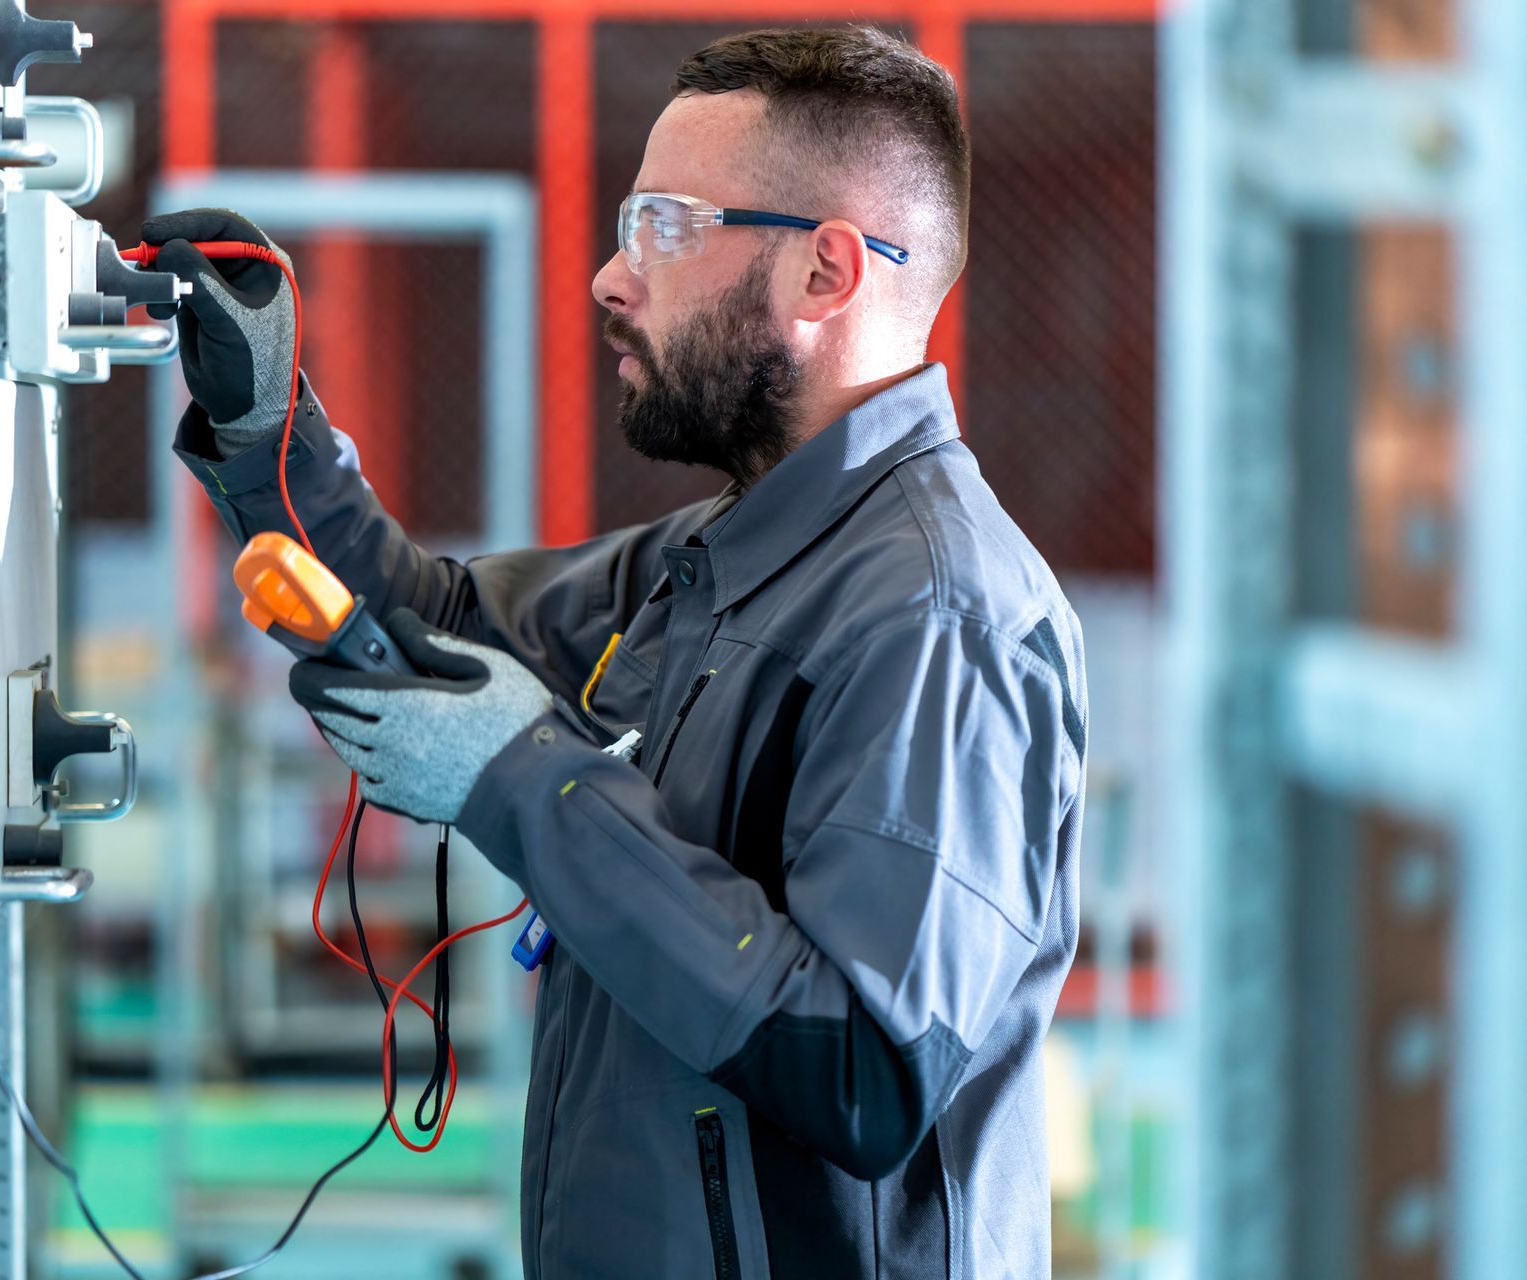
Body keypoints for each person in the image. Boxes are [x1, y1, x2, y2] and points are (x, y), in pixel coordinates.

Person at [144, 25, 1086, 1280]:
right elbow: (440, 631)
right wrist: (271, 433)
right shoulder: (724, 560)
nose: (609, 276)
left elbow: (861, 1064)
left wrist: (533, 782)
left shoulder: (937, 615)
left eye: (665, 229)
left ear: (827, 276)